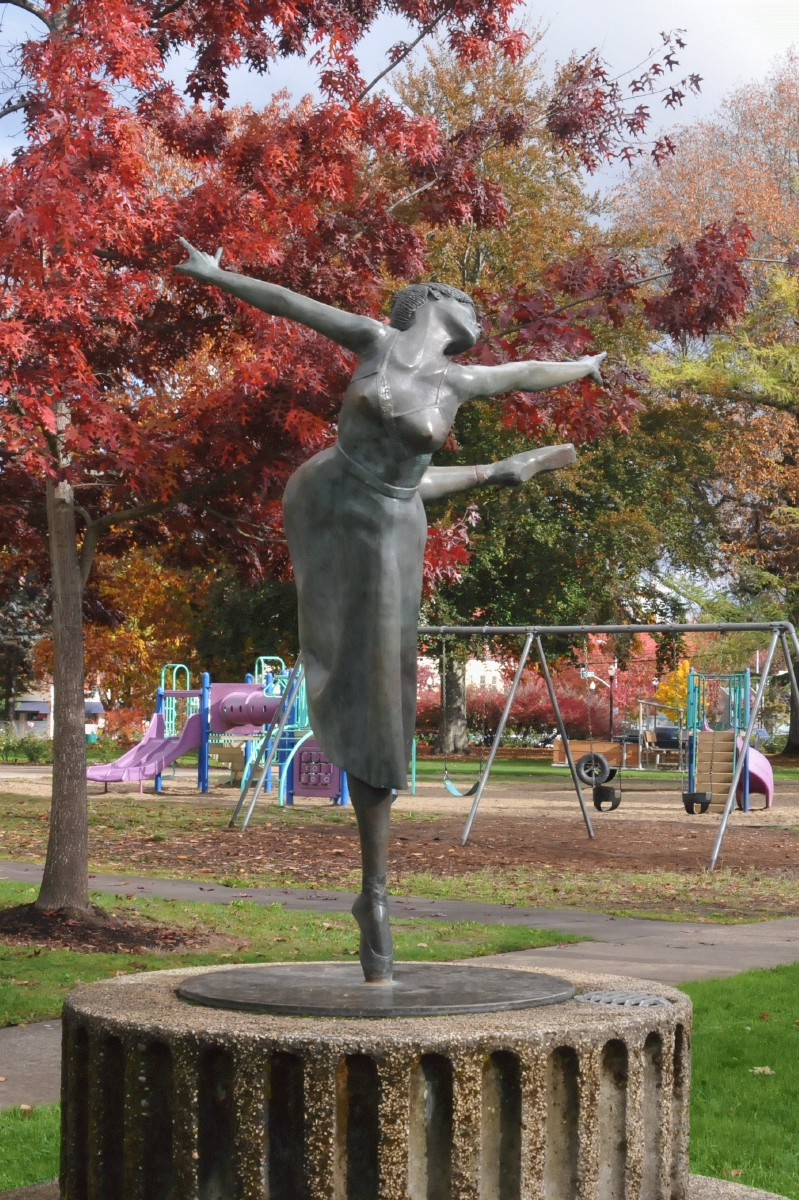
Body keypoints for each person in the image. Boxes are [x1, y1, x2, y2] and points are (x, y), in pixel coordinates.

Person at [176, 239, 598, 983]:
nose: (478, 315)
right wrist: (217, 276)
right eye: (467, 302)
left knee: (378, 694)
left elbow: (525, 374)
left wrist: (585, 369)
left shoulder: (462, 380)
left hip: (392, 521)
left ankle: (373, 893)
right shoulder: (374, 338)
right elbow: (291, 304)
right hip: (328, 496)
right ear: (432, 302)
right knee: (335, 655)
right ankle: (501, 473)